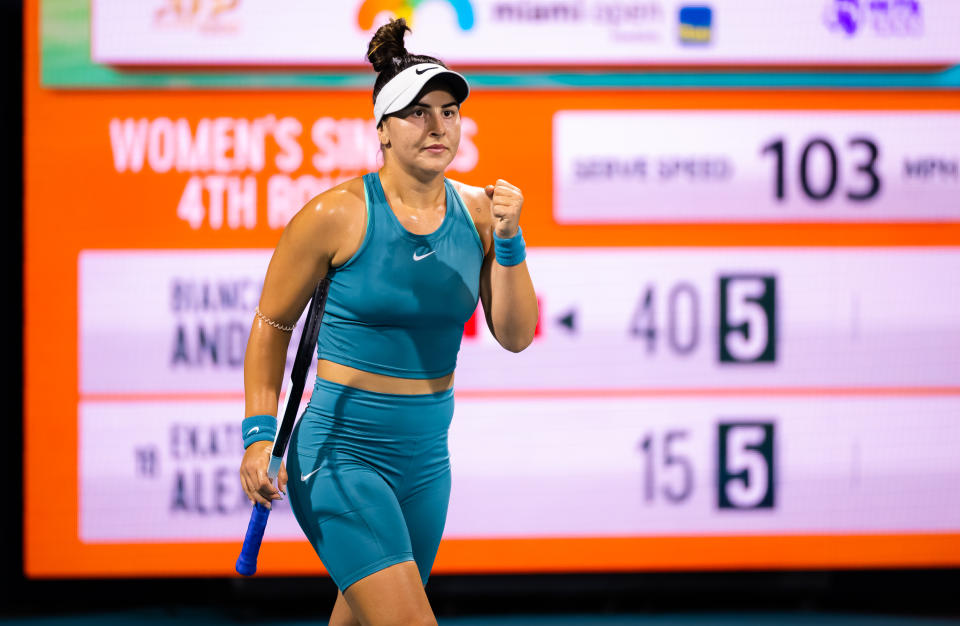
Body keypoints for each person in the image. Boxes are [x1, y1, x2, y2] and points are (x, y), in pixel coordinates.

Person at [238, 17, 538, 626]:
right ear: (383, 129)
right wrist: (257, 435)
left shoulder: (482, 213)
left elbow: (514, 335)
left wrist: (510, 242)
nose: (438, 126)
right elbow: (272, 326)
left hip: (426, 462)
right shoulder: (333, 215)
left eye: (449, 111)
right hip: (339, 456)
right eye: (417, 113)